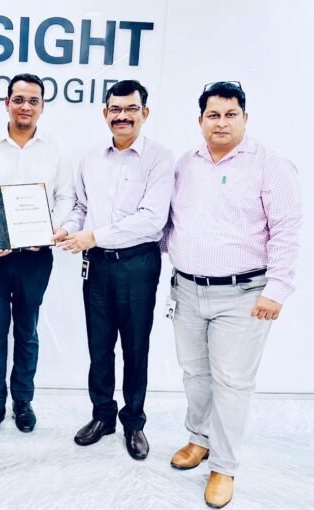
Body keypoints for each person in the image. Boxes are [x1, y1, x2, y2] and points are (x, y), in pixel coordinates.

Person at [163, 81, 301, 508]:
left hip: (244, 294)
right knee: (194, 374)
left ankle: (223, 466)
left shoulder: (270, 164)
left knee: (232, 382)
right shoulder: (187, 163)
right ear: (200, 120)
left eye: (230, 114)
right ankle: (199, 439)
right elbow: (171, 223)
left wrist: (277, 290)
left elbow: (287, 230)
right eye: (213, 115)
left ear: (245, 117)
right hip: (187, 289)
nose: (221, 123)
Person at [54, 80, 174, 460]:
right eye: (115, 109)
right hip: (97, 266)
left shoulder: (160, 158)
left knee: (136, 348)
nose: (122, 116)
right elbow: (81, 207)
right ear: (105, 113)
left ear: (145, 113)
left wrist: (94, 236)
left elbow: (152, 219)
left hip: (138, 264)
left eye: (131, 109)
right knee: (99, 346)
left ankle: (133, 422)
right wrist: (67, 229)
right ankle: (102, 415)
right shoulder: (90, 157)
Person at [0, 73, 74, 441]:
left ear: (42, 106)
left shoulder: (57, 148)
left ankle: (23, 401)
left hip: (35, 257)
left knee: (27, 332)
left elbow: (65, 198)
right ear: (7, 103)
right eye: (18, 99)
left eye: (33, 101)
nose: (25, 106)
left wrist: (49, 230)